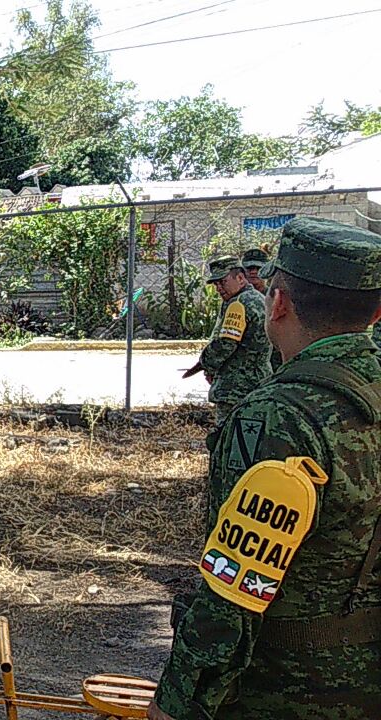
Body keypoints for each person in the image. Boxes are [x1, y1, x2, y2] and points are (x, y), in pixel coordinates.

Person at [148, 217, 381, 720]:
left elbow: (234, 588)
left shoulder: (277, 419)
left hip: (285, 686)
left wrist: (179, 700)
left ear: (278, 304)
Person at [188, 257, 271, 425]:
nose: (218, 288)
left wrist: (207, 364)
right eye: (215, 284)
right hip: (260, 382)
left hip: (235, 387)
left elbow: (225, 344)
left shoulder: (238, 304)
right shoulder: (260, 299)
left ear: (240, 278)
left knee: (225, 437)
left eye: (223, 282)